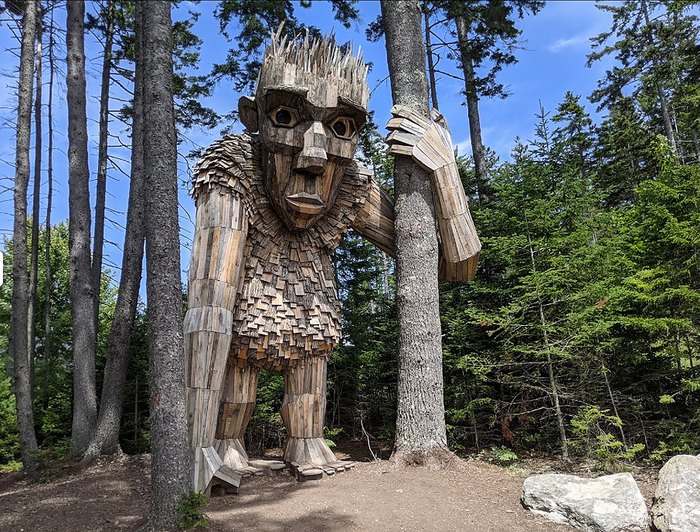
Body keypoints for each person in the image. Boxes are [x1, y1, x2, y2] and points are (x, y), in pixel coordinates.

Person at [185, 28, 480, 493]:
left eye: (341, 128)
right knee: (235, 392)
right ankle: (223, 443)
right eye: (286, 116)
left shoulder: (352, 188)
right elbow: (209, 307)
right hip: (241, 328)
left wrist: (444, 171)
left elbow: (454, 267)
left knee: (309, 378)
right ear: (252, 117)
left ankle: (306, 441)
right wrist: (195, 444)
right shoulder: (232, 175)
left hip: (312, 326)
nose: (314, 155)